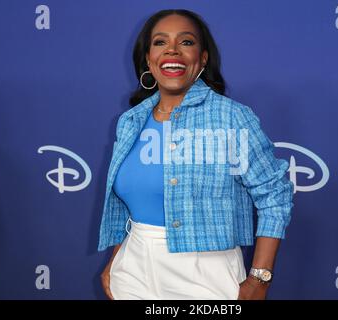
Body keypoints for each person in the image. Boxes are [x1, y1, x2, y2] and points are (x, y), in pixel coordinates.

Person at [98, 9, 294, 300]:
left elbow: (275, 197)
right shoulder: (130, 121)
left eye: (186, 42)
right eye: (160, 42)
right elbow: (129, 203)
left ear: (202, 58)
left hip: (204, 274)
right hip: (133, 271)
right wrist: (115, 262)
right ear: (148, 58)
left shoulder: (231, 117)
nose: (172, 51)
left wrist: (260, 279)